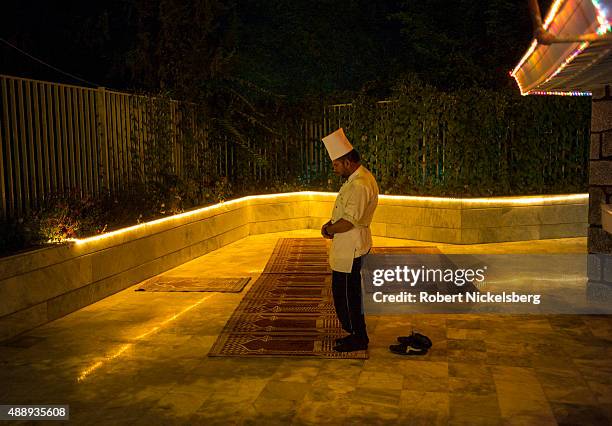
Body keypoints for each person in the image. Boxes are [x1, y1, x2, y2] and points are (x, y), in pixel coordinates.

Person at [320, 128, 379, 352]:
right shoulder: (358, 179)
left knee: (348, 296)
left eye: (336, 165)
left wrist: (328, 230)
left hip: (351, 247)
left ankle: (358, 337)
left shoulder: (360, 184)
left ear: (346, 161)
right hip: (350, 246)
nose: (334, 169)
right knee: (347, 293)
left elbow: (349, 221)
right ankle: (355, 333)